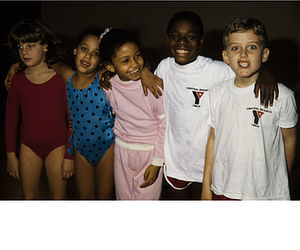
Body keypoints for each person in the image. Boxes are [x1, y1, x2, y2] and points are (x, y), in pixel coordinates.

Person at [141, 11, 278, 200]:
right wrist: (144, 70)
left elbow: (245, 69)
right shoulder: (164, 67)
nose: (182, 42)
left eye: (190, 37)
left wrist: (265, 73)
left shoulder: (216, 70)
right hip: (176, 161)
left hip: (208, 163)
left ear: (201, 40)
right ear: (167, 39)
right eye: (175, 36)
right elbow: (139, 67)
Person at [201, 18, 297, 200]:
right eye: (235, 48)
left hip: (264, 194)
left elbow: (289, 141)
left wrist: (281, 180)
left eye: (252, 47)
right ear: (225, 56)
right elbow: (213, 139)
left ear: (264, 54)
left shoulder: (283, 96)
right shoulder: (216, 92)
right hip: (223, 189)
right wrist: (206, 185)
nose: (243, 54)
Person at [4, 19, 74, 200]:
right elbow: (10, 119)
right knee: (28, 199)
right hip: (28, 148)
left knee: (59, 199)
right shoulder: (17, 80)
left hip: (57, 148)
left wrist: (69, 155)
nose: (24, 51)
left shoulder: (61, 79)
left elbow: (72, 119)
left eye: (30, 45)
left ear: (46, 46)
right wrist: (11, 155)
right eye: (20, 47)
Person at [48, 29, 116, 200]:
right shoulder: (67, 77)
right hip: (81, 150)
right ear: (75, 50)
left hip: (107, 147)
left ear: (102, 61)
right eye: (84, 49)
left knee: (103, 200)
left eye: (96, 54)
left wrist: (145, 71)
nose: (87, 57)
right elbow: (46, 61)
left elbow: (134, 64)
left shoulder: (102, 78)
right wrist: (16, 66)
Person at [99, 28, 165, 200]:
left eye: (137, 56)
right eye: (125, 60)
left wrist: (157, 162)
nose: (135, 64)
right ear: (110, 66)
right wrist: (106, 75)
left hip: (149, 154)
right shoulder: (110, 86)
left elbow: (164, 126)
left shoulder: (152, 87)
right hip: (122, 151)